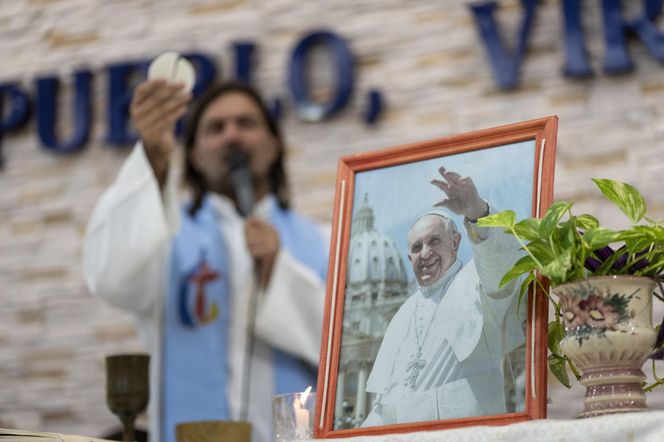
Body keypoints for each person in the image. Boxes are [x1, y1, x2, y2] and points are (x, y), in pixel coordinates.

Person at [83, 79, 328, 442]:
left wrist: (278, 271)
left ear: (274, 145)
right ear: (194, 155)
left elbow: (346, 355)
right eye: (215, 128)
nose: (232, 136)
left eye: (246, 123)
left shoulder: (324, 241)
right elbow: (111, 278)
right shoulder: (164, 239)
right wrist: (152, 158)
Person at [361, 167, 525, 426]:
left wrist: (477, 211)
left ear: (456, 242)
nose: (425, 254)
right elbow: (389, 403)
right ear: (409, 258)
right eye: (417, 248)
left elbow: (499, 263)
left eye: (434, 242)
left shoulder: (479, 282)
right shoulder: (403, 314)